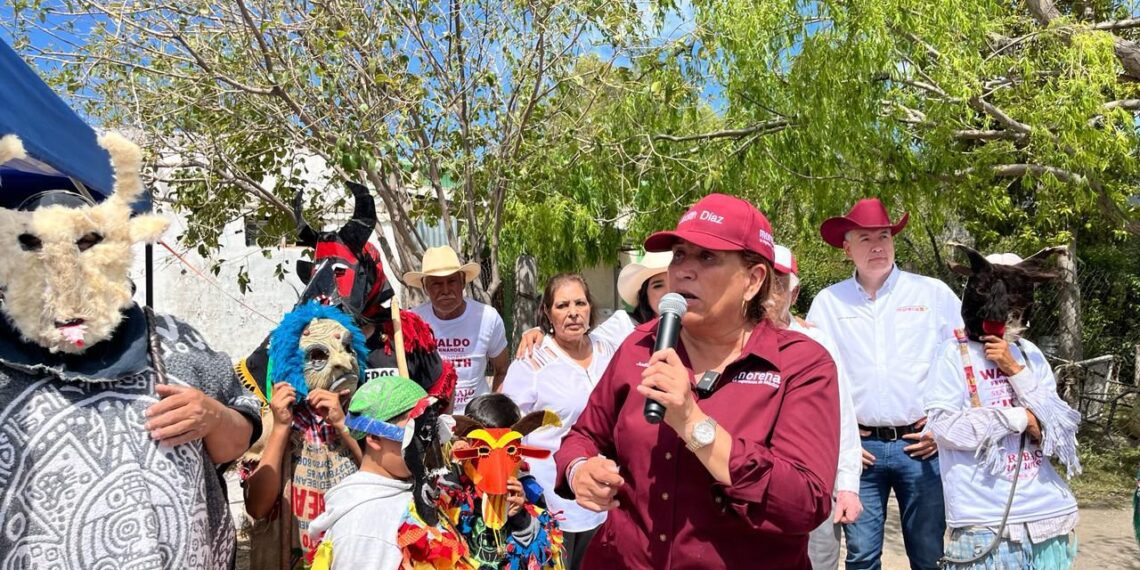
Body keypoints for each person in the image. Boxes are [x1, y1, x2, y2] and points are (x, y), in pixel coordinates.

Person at [0, 133, 261, 568]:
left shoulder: (174, 341)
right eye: (37, 247)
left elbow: (237, 442)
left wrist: (214, 416)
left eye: (87, 243)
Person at [554, 193, 841, 569]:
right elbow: (583, 436)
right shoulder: (639, 345)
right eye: (680, 255)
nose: (684, 270)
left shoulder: (802, 365)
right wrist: (580, 471)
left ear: (753, 280)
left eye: (707, 257)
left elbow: (804, 502)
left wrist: (692, 422)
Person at [806, 197, 963, 570]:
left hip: (920, 444)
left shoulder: (932, 294)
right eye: (864, 238)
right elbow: (815, 378)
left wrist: (943, 425)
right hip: (861, 450)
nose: (877, 246)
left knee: (928, 552)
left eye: (884, 236)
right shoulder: (829, 303)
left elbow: (962, 359)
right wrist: (841, 443)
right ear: (847, 249)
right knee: (861, 555)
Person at [238, 181, 456, 413]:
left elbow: (440, 393)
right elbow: (256, 395)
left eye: (339, 273)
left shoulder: (407, 335)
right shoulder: (295, 339)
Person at [926, 244, 1081, 569]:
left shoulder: (1029, 354)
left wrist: (1014, 370)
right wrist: (1019, 417)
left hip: (1047, 515)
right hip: (983, 520)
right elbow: (945, 428)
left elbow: (1059, 432)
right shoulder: (952, 355)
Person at [242, 302, 370, 568]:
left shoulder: (367, 419)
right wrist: (280, 428)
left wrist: (342, 425)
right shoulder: (273, 423)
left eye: (347, 348)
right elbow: (258, 508)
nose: (342, 361)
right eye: (319, 355)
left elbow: (377, 478)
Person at [500, 273, 614, 569]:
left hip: (604, 497)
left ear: (591, 308)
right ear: (548, 313)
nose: (573, 312)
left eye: (580, 302)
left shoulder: (609, 349)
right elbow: (506, 426)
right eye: (562, 305)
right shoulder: (533, 361)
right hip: (551, 497)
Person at [767, 245, 864, 569]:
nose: (768, 293)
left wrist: (848, 486)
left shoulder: (817, 344)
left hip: (812, 490)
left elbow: (843, 418)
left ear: (794, 294)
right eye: (761, 280)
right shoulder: (729, 341)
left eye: (778, 284)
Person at [308, 374, 465, 570]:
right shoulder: (364, 529)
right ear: (374, 437)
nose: (432, 445)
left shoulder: (417, 490)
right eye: (419, 432)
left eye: (435, 432)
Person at [445, 393, 565, 569]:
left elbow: (544, 551)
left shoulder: (529, 490)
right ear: (465, 442)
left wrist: (521, 515)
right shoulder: (452, 483)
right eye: (484, 449)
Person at [404, 246, 509, 413]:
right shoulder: (413, 322)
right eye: (436, 284)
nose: (445, 290)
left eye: (452, 281)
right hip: (430, 421)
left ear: (463, 282)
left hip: (476, 421)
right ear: (425, 287)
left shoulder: (487, 318)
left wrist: (493, 414)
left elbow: (502, 370)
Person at [515, 250, 671, 359]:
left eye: (674, 283)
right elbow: (585, 339)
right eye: (658, 285)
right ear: (644, 293)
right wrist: (541, 332)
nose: (668, 292)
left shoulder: (691, 327)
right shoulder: (625, 326)